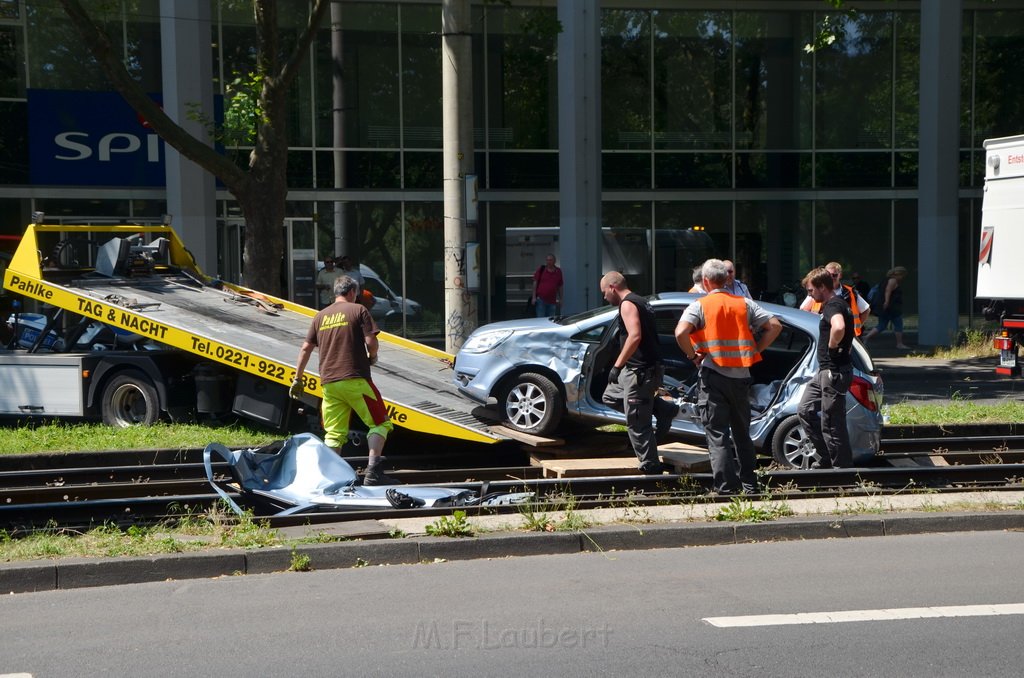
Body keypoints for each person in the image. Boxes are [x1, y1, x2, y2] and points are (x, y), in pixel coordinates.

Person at [675, 259, 782, 494]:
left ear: (705, 281)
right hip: (741, 377)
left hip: (714, 376)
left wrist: (692, 355)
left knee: (717, 433)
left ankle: (726, 488)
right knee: (743, 433)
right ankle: (750, 485)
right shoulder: (744, 304)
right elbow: (775, 326)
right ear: (727, 279)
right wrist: (756, 350)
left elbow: (681, 332)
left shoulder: (699, 306)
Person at [291, 275, 395, 485]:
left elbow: (305, 349)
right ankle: (373, 472)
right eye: (356, 293)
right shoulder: (358, 310)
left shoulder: (320, 316)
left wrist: (298, 378)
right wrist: (372, 356)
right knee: (380, 423)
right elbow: (371, 341)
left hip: (329, 383)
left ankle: (330, 478)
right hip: (354, 378)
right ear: (351, 292)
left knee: (334, 433)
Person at [599, 271, 669, 474]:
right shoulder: (641, 301)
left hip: (640, 371)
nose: (604, 297)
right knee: (610, 396)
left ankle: (651, 464)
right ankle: (662, 409)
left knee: (637, 421)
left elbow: (635, 335)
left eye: (605, 292)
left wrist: (617, 365)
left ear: (613, 287)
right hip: (638, 369)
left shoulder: (628, 304)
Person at [798, 267, 855, 469]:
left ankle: (841, 469)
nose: (810, 295)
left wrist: (832, 347)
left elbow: (838, 327)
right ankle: (826, 458)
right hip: (826, 371)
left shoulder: (833, 305)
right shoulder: (841, 304)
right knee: (804, 409)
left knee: (831, 422)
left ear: (822, 287)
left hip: (833, 372)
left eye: (811, 291)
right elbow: (851, 334)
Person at [798, 261, 870, 336]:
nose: (831, 277)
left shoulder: (850, 292)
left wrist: (855, 328)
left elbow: (866, 310)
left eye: (834, 275)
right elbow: (803, 310)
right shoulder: (817, 291)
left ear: (840, 275)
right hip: (822, 333)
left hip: (846, 336)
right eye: (828, 275)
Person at [863, 266, 909, 349]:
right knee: (898, 324)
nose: (902, 278)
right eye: (902, 275)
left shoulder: (885, 280)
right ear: (898, 274)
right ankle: (899, 344)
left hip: (884, 307)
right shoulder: (893, 281)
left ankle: (866, 337)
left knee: (882, 325)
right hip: (892, 307)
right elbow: (888, 291)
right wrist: (887, 302)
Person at [532, 253, 563, 318]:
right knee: (540, 319)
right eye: (547, 260)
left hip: (552, 300)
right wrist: (534, 297)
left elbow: (560, 286)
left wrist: (561, 299)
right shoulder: (541, 270)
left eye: (550, 260)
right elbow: (535, 283)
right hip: (541, 299)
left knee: (550, 319)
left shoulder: (558, 271)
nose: (548, 262)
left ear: (554, 261)